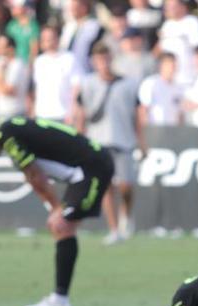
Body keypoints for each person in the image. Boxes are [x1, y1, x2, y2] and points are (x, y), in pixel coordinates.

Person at [0, 117, 114, 306]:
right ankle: (60, 298)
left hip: (91, 167)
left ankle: (60, 300)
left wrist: (56, 208)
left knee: (61, 225)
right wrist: (54, 207)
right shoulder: (11, 129)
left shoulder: (6, 135)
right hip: (90, 165)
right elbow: (32, 176)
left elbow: (35, 175)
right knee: (60, 226)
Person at [75, 44, 144, 245]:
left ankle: (126, 215)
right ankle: (114, 230)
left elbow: (137, 116)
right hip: (98, 142)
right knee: (105, 187)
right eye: (98, 59)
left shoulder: (129, 84)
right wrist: (79, 141)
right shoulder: (87, 84)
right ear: (93, 62)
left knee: (126, 186)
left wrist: (142, 142)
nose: (103, 63)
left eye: (105, 58)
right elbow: (81, 113)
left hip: (124, 140)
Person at [31, 25, 78, 123]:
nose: (48, 42)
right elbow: (37, 89)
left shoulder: (69, 58)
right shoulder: (39, 61)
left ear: (58, 38)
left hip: (63, 116)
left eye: (51, 38)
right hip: (42, 115)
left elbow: (76, 87)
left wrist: (72, 112)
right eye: (45, 39)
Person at [0, 34, 29, 122]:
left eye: (0, 46)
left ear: (10, 49)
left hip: (14, 114)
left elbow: (8, 91)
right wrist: (0, 86)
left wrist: (1, 75)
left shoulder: (18, 64)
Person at [138, 52, 183, 125]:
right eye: (170, 64)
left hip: (172, 132)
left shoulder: (178, 88)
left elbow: (179, 114)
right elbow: (143, 110)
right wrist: (146, 132)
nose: (173, 67)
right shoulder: (151, 83)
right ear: (161, 65)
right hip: (155, 130)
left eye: (174, 64)